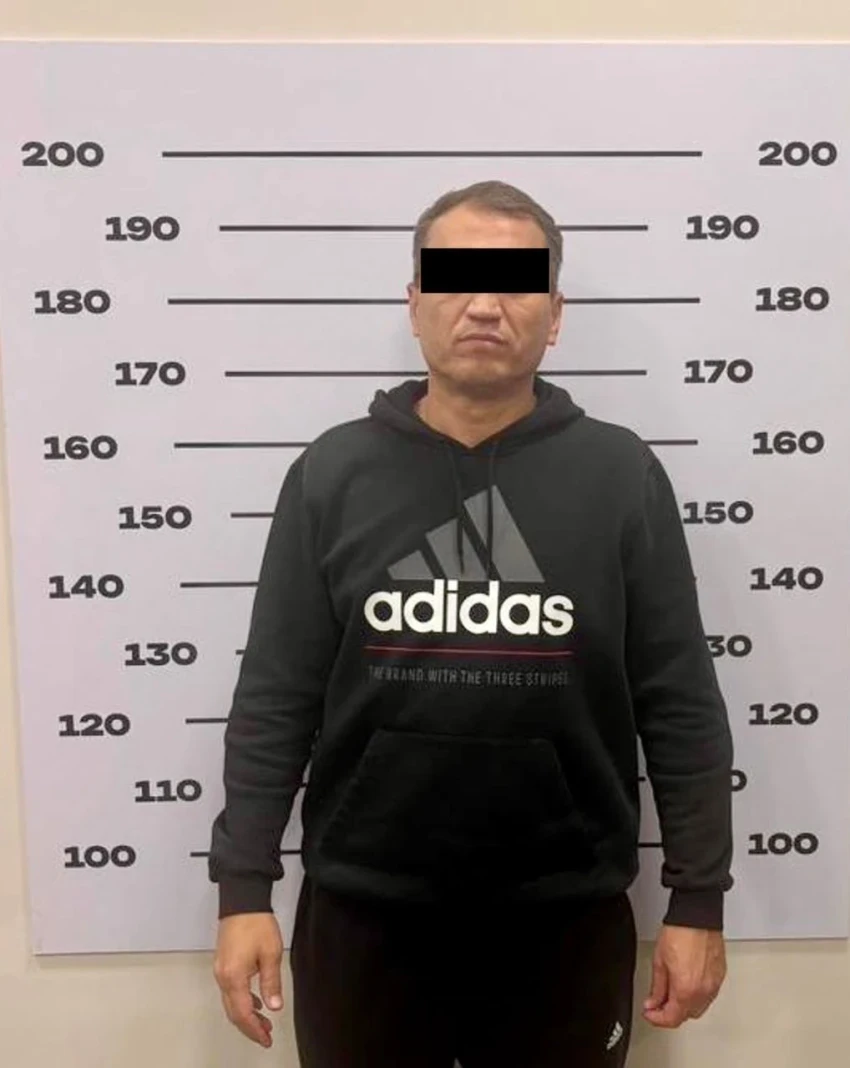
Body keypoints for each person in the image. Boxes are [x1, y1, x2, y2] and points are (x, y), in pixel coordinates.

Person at [209, 179, 734, 1067]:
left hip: (564, 920)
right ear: (414, 302)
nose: (485, 305)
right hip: (363, 918)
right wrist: (242, 890)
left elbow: (679, 702)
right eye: (455, 278)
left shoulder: (621, 476)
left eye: (517, 284)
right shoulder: (333, 474)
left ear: (554, 316)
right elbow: (275, 696)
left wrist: (698, 901)